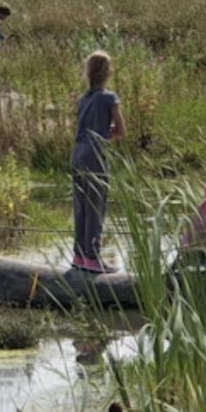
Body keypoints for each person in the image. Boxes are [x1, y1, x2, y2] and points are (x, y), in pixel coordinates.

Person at [71, 50, 125, 272]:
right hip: (95, 155)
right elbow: (121, 129)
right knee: (96, 205)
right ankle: (93, 258)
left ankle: (79, 256)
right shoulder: (109, 98)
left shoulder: (83, 99)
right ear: (108, 72)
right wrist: (108, 133)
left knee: (81, 205)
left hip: (77, 153)